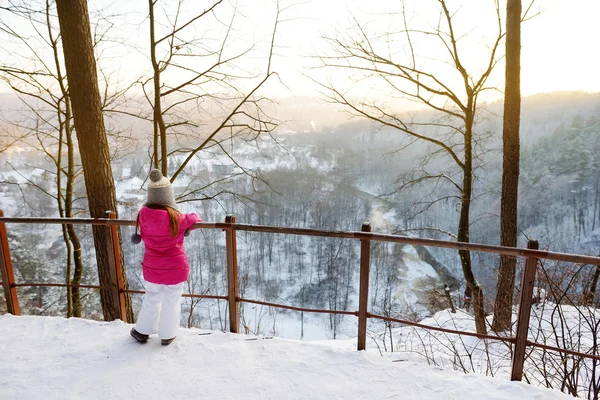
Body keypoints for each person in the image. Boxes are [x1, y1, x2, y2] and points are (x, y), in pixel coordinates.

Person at [129, 169, 201, 346]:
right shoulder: (176, 217)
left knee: (152, 296)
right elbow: (195, 218)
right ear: (168, 196)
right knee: (172, 299)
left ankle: (143, 331)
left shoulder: (143, 215)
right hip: (175, 267)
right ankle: (167, 335)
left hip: (153, 266)